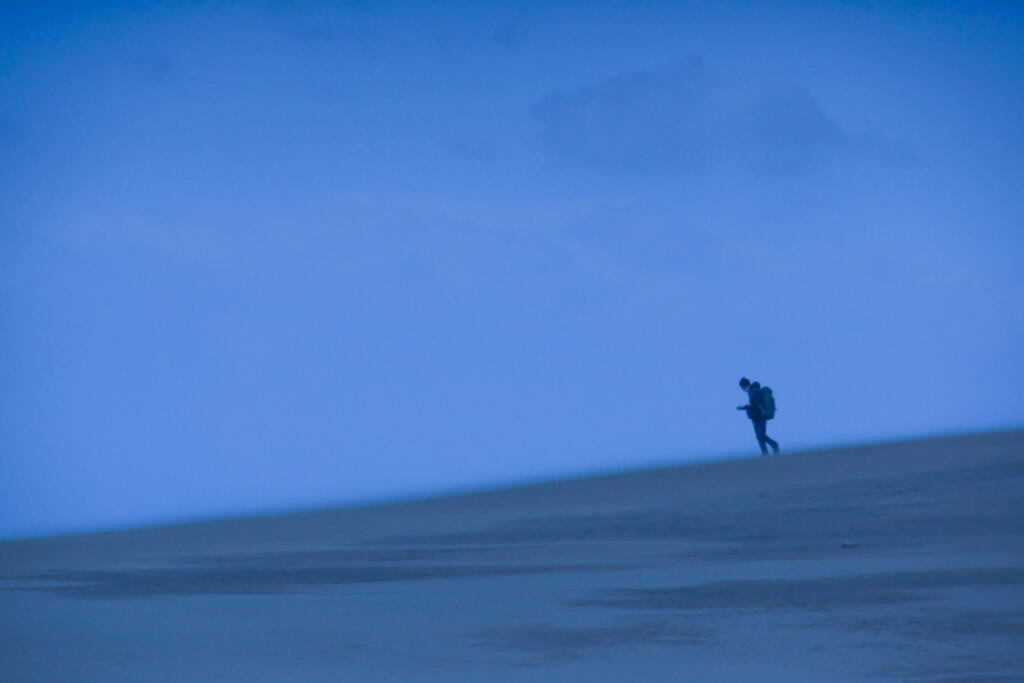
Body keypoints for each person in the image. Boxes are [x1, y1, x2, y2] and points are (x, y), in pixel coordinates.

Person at [737, 377, 780, 455]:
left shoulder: (754, 391)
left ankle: (774, 445)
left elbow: (754, 405)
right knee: (759, 436)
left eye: (743, 387)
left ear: (746, 385)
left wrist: (744, 407)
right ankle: (765, 453)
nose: (743, 389)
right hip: (756, 417)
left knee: (761, 435)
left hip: (760, 416)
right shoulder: (752, 391)